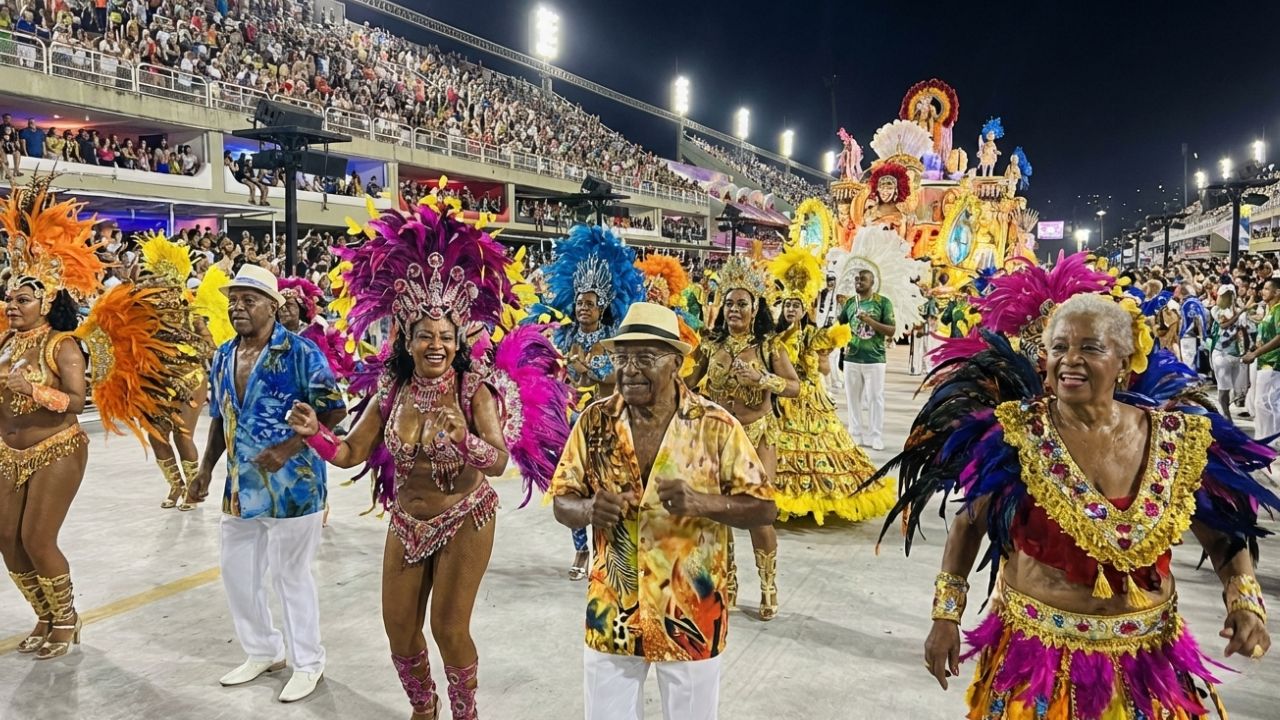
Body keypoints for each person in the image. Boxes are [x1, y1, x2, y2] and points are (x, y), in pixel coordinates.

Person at [879, 259, 1276, 719]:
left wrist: (1244, 603)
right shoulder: (1016, 435)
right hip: (1037, 662)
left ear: (1124, 363)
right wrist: (946, 617)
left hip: (1146, 664)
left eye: (1091, 347)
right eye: (1059, 347)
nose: (1070, 359)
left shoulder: (1177, 439)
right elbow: (969, 527)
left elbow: (1224, 535)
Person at [291, 198, 571, 719]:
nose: (436, 344)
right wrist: (316, 436)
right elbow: (352, 452)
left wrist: (464, 438)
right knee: (397, 625)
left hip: (465, 514)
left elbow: (498, 461)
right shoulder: (392, 387)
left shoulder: (473, 390)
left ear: (458, 339)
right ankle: (425, 707)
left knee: (448, 626)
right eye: (425, 335)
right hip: (407, 519)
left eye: (446, 336)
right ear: (408, 338)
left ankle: (465, 712)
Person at [549, 302, 777, 720]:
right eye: (621, 357)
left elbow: (764, 508)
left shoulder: (717, 425)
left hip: (692, 612)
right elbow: (562, 500)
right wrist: (587, 510)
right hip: (612, 611)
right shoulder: (594, 422)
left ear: (676, 363)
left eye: (645, 358)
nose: (629, 369)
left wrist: (702, 502)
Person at [190, 265, 346, 703]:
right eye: (233, 300)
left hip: (294, 487)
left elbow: (333, 411)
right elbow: (221, 417)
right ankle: (263, 650)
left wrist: (289, 448)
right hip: (241, 486)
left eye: (249, 299)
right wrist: (205, 469)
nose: (238, 307)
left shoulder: (301, 352)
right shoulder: (222, 354)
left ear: (273, 306)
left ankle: (308, 662)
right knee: (237, 572)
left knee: (290, 575)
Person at [0, 181, 106, 659]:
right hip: (8, 451)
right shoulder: (5, 344)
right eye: (9, 298)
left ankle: (67, 618)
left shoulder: (60, 343)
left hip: (56, 447)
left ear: (45, 302)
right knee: (7, 539)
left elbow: (77, 399)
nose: (12, 305)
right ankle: (43, 615)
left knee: (37, 538)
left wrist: (33, 389)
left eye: (22, 299)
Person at [685, 255, 800, 621]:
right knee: (719, 513)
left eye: (742, 304)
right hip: (716, 438)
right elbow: (687, 381)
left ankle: (768, 586)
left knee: (757, 514)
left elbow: (796, 387)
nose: (734, 309)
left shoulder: (770, 347)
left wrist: (763, 380)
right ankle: (728, 582)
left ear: (755, 308)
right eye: (729, 303)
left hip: (757, 435)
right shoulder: (710, 345)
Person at [539, 224, 645, 581]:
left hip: (605, 424)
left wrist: (593, 371)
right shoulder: (565, 335)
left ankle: (610, 547)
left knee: (607, 488)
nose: (583, 308)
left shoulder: (614, 339)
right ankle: (581, 548)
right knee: (572, 488)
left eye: (590, 303)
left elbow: (623, 376)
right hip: (569, 424)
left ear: (602, 306)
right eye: (580, 302)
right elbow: (550, 369)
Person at [766, 247, 894, 524]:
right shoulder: (773, 336)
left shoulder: (813, 335)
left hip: (809, 397)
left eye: (796, 306)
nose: (791, 310)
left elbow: (824, 369)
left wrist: (819, 358)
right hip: (779, 398)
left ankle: (817, 500)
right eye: (787, 305)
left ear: (804, 310)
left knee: (821, 447)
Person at [135, 233, 215, 510]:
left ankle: (194, 488)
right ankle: (176, 484)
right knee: (155, 435)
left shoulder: (189, 304)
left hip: (188, 376)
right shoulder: (141, 305)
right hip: (154, 378)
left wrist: (198, 346)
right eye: (157, 277)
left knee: (183, 434)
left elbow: (207, 341)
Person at [833, 227, 925, 451]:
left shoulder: (883, 302)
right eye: (856, 279)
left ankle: (875, 434)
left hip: (875, 358)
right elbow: (841, 323)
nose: (858, 282)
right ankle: (855, 433)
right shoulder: (851, 302)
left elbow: (891, 331)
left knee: (876, 398)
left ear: (872, 282)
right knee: (853, 399)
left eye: (862, 279)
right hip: (853, 357)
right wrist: (839, 304)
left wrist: (870, 321)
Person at [1242, 277, 1280, 443]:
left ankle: (1266, 440)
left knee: (1264, 402)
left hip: (1273, 362)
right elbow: (1264, 336)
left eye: (1266, 288)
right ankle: (1269, 438)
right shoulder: (1269, 310)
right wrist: (1254, 348)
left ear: (1277, 292)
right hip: (1264, 360)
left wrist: (1256, 354)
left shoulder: (1279, 310)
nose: (1262, 291)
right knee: (1266, 402)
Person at [1210, 285, 1248, 422]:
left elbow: (1244, 331)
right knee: (1224, 388)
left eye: (1231, 294)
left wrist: (1247, 348)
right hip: (1221, 353)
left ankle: (1225, 411)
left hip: (1236, 354)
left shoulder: (1239, 311)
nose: (1229, 297)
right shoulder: (1216, 310)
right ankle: (1226, 417)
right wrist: (1241, 312)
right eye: (1226, 294)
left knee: (1235, 389)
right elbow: (1223, 324)